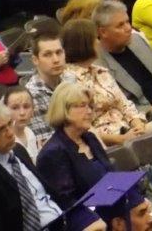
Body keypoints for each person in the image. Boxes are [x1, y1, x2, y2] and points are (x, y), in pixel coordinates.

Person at [62, 18, 152, 188]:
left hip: (131, 129)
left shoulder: (101, 71)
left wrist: (137, 123)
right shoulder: (70, 82)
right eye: (94, 39)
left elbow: (124, 104)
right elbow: (85, 130)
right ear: (84, 44)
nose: (98, 43)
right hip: (110, 143)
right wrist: (121, 138)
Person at [0, 98, 103, 231]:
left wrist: (83, 215)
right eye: (1, 129)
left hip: (61, 216)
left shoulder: (18, 150)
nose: (10, 133)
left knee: (103, 218)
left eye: (10, 123)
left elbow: (51, 193)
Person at [35, 81, 114, 209]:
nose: (89, 111)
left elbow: (112, 177)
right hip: (91, 217)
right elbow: (68, 203)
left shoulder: (90, 138)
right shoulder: (53, 153)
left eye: (90, 106)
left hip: (113, 206)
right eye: (82, 105)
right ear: (64, 110)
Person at [26, 26, 76, 146]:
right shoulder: (32, 95)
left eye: (59, 52)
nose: (56, 59)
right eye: (47, 55)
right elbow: (46, 143)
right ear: (35, 60)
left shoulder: (71, 79)